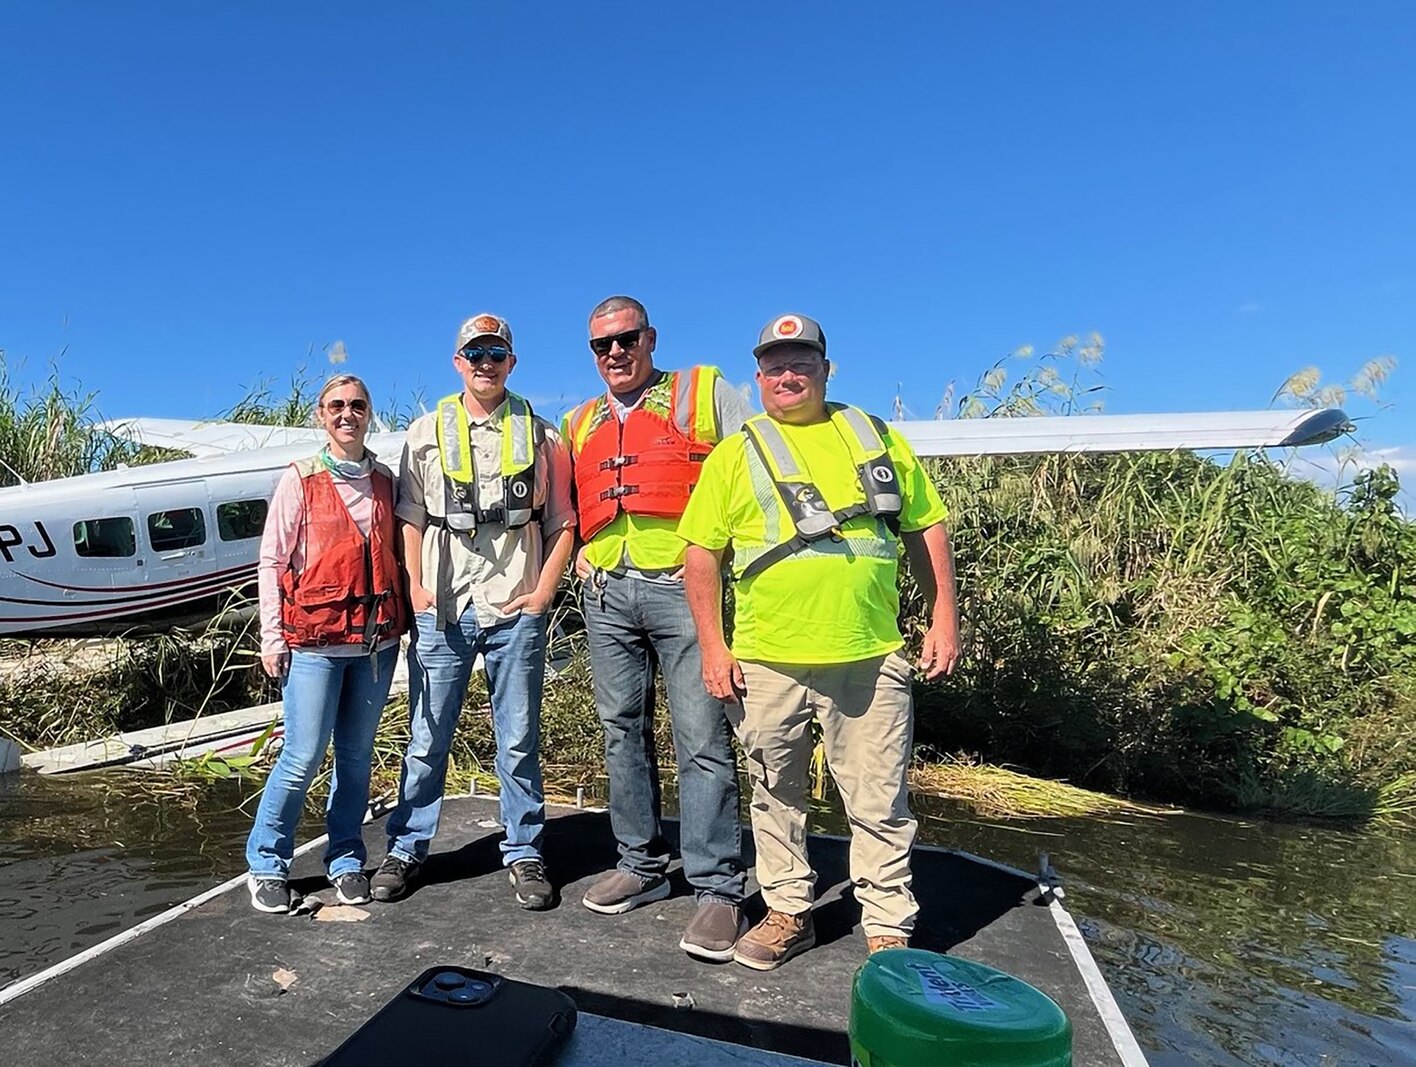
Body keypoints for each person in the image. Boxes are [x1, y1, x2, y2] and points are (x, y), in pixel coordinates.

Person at [679, 313, 961, 969]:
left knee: (879, 797)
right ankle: (788, 912)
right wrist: (714, 647)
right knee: (774, 791)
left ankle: (888, 928)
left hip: (870, 652)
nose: (788, 373)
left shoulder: (875, 436)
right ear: (758, 376)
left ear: (825, 369)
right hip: (767, 657)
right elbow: (700, 555)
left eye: (801, 361)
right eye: (775, 364)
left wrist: (944, 612)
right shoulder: (736, 452)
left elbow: (926, 528)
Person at [562, 295, 750, 961]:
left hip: (682, 591)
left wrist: (723, 557)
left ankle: (718, 888)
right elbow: (564, 504)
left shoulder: (703, 390)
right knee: (621, 731)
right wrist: (582, 546)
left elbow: (755, 470)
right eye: (601, 344)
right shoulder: (578, 421)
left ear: (650, 338)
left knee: (702, 736)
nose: (614, 352)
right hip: (607, 593)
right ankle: (640, 864)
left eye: (626, 338)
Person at [371, 313, 574, 910]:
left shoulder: (542, 436)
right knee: (426, 736)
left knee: (517, 739)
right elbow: (408, 516)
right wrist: (417, 587)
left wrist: (543, 593)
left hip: (516, 604)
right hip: (445, 607)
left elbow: (562, 519)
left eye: (497, 354)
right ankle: (407, 846)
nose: (486, 363)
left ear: (512, 361)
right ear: (457, 362)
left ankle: (526, 851)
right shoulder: (423, 433)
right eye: (475, 354)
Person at [245, 373, 407, 913]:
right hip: (312, 643)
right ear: (321, 415)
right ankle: (268, 861)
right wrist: (273, 637)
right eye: (336, 405)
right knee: (302, 755)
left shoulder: (385, 478)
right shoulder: (300, 479)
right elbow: (272, 561)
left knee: (357, 759)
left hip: (375, 645)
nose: (347, 414)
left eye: (357, 405)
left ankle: (345, 856)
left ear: (369, 414)